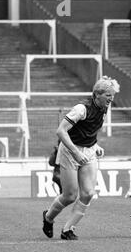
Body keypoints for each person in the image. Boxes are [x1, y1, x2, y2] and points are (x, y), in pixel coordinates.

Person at [42, 76, 120, 240]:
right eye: (108, 95)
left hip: (89, 151)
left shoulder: (104, 108)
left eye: (112, 95)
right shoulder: (81, 109)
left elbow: (90, 129)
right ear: (97, 94)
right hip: (70, 150)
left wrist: (95, 145)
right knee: (70, 195)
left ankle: (68, 229)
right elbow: (61, 131)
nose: (111, 98)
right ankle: (48, 218)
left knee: (88, 193)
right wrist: (76, 152)